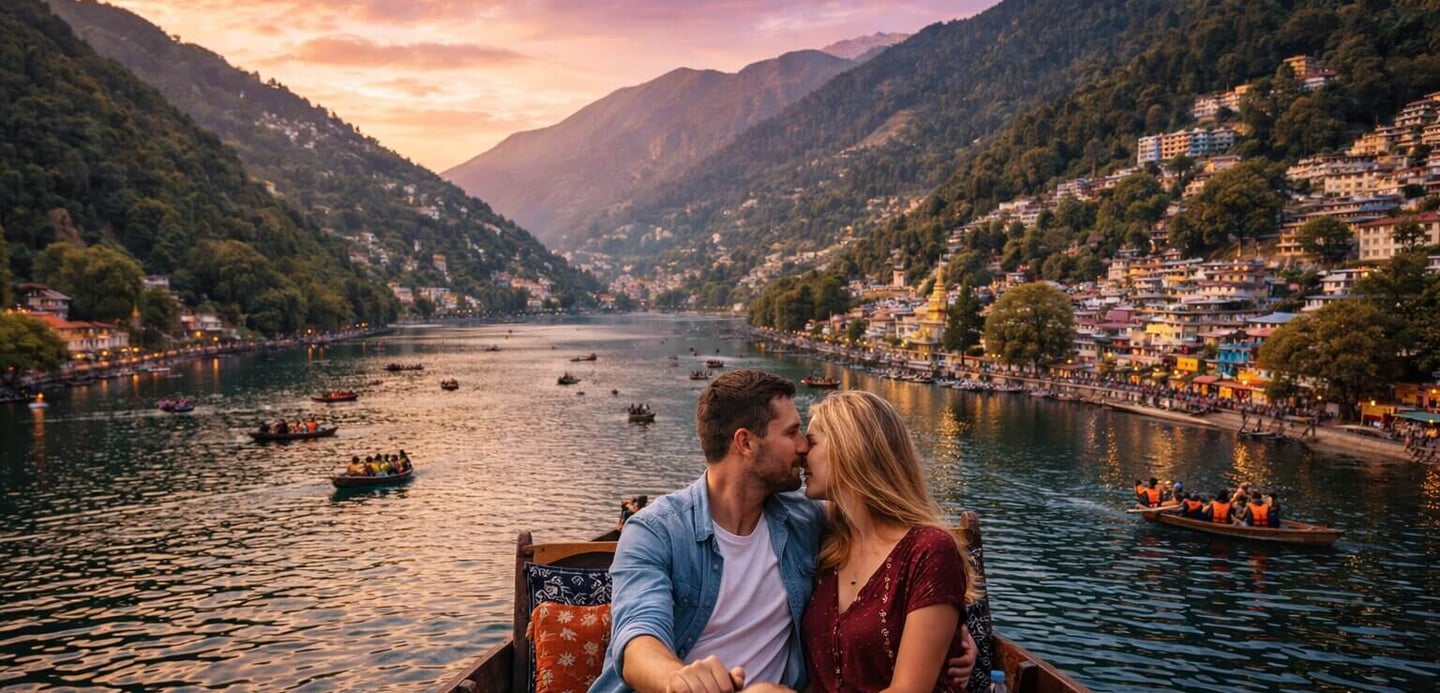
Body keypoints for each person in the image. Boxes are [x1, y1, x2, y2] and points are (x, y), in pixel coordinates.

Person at [591, 370, 974, 693]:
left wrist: (956, 630)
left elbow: (902, 557)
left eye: (809, 437)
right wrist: (678, 678)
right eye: (792, 432)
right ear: (746, 443)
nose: (803, 446)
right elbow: (637, 636)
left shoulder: (809, 523)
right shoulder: (655, 531)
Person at [798, 390, 978, 693]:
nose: (801, 451)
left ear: (850, 448)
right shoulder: (825, 540)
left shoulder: (929, 552)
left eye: (812, 442)